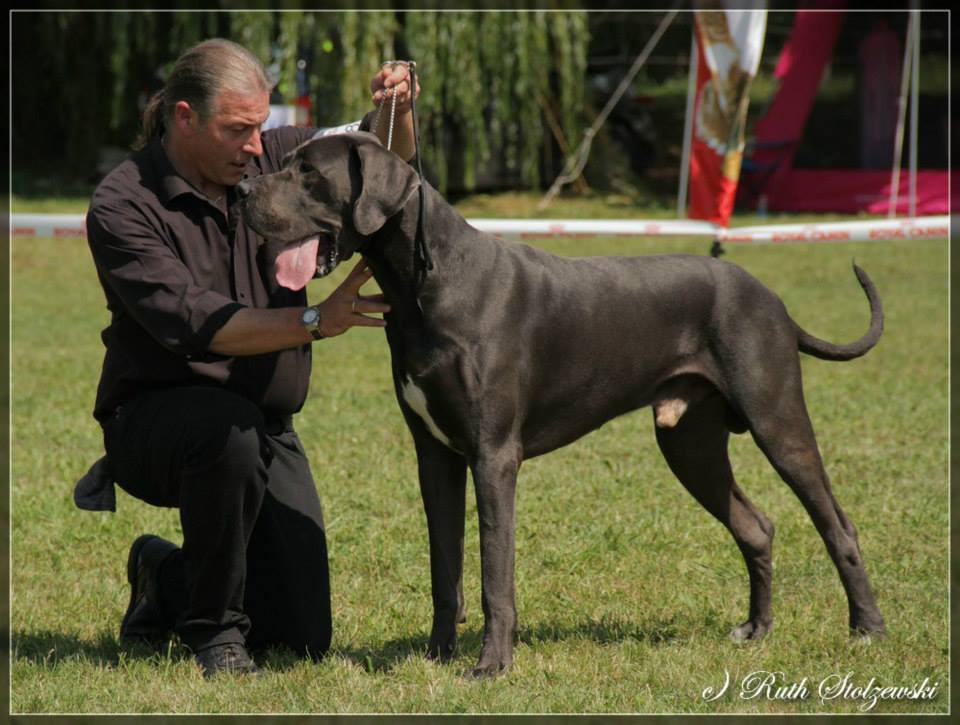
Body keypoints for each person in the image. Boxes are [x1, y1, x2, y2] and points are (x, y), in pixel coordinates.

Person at [74, 38, 420, 678]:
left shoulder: (274, 157)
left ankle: (164, 576)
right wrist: (316, 320)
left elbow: (375, 153)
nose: (257, 146)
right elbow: (203, 325)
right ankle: (215, 636)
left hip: (263, 426)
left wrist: (396, 106)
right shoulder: (124, 205)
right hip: (154, 422)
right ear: (184, 117)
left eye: (262, 126)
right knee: (221, 431)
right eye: (238, 130)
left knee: (300, 634)